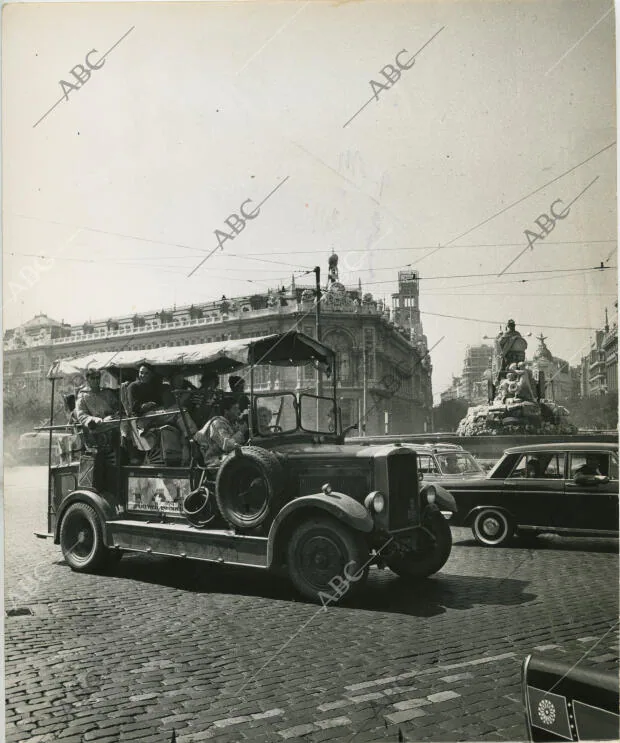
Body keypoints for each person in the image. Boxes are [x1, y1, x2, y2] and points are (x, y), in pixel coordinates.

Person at [194, 397, 248, 468]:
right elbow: (227, 445)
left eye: (238, 408)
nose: (238, 411)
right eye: (235, 409)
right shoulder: (218, 423)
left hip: (227, 458)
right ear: (226, 411)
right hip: (216, 461)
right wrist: (241, 432)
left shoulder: (231, 423)